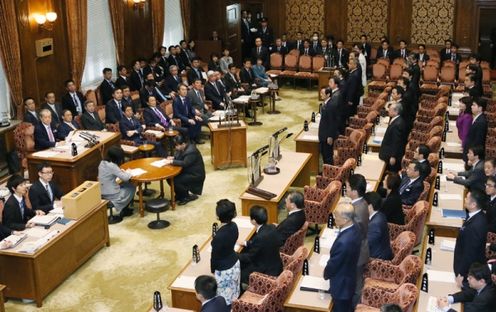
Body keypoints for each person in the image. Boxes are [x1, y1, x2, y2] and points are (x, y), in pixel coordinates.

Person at [323, 203, 362, 312]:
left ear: (345, 219)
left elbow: (333, 265)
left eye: (336, 216)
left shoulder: (344, 242)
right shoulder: (355, 226)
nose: (334, 218)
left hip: (341, 286)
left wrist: (325, 274)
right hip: (350, 276)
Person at [238, 205, 283, 284]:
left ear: (254, 221)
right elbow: (262, 244)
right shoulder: (272, 227)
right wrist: (245, 243)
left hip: (266, 271)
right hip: (276, 264)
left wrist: (234, 254)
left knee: (238, 271)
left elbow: (249, 257)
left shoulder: (259, 237)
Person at [453, 190, 488, 282]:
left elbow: (470, 254)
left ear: (473, 205)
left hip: (466, 271)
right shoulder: (475, 216)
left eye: (467, 198)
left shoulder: (476, 225)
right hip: (461, 260)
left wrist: (461, 274)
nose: (465, 199)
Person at [210, 199, 240, 306]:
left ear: (218, 216)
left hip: (224, 270)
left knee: (223, 300)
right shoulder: (234, 226)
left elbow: (214, 257)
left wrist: (212, 270)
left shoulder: (219, 236)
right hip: (235, 262)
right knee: (234, 293)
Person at [345, 173, 369, 306]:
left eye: (347, 187)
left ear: (354, 191)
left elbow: (353, 235)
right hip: (360, 249)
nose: (346, 189)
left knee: (356, 287)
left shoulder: (357, 210)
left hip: (357, 253)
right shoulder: (362, 202)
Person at [164, 136, 205, 205]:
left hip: (195, 174)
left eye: (177, 145)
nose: (176, 148)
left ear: (183, 144)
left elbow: (185, 163)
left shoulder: (191, 151)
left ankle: (186, 197)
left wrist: (171, 161)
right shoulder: (182, 148)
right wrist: (173, 158)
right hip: (187, 171)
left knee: (176, 181)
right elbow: (180, 156)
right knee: (169, 178)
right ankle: (179, 194)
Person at [98, 146, 135, 218]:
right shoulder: (112, 166)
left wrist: (121, 172)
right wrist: (130, 173)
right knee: (131, 187)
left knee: (124, 184)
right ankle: (119, 205)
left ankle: (125, 208)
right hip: (111, 194)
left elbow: (114, 173)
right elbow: (125, 178)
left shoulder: (102, 162)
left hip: (102, 192)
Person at [364, 192, 393, 260]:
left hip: (377, 258)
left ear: (370, 206)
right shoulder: (380, 214)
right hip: (381, 249)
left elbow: (365, 245)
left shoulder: (374, 224)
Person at [379, 102, 407, 172]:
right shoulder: (397, 120)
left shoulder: (398, 124)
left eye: (390, 109)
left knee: (390, 171)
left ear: (396, 112)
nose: (388, 110)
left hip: (390, 155)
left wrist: (393, 156)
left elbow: (396, 141)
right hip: (388, 151)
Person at [319, 79, 341, 165]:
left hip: (327, 136)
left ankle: (329, 172)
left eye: (322, 93)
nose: (320, 95)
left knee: (327, 156)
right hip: (323, 134)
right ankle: (326, 169)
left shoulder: (331, 106)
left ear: (328, 94)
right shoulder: (326, 103)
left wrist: (330, 136)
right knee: (324, 154)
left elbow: (333, 122)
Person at [463, 97, 488, 161]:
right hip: (470, 154)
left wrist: (472, 159)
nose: (471, 107)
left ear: (480, 108)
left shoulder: (481, 122)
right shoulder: (477, 118)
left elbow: (478, 142)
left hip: (474, 156)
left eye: (474, 105)